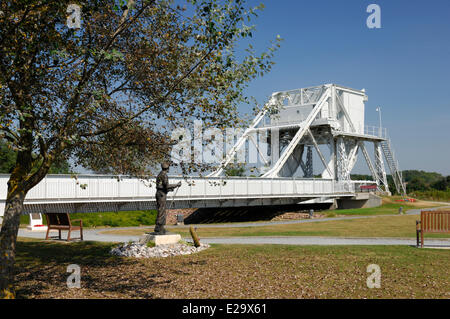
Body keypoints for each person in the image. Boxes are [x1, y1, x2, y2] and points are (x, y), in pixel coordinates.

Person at [154, 162, 181, 234]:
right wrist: (176, 185)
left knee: (161, 210)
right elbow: (167, 186)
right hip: (161, 195)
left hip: (159, 193)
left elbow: (162, 186)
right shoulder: (164, 175)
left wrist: (169, 190)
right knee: (162, 210)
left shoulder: (159, 174)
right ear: (167, 168)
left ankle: (160, 227)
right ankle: (159, 227)